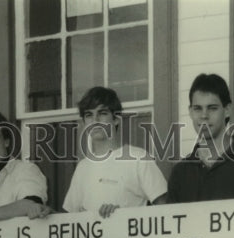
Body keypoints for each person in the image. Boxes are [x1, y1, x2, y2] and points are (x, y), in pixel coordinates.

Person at [165, 73, 234, 203]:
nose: (204, 115)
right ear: (190, 112)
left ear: (227, 110)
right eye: (197, 108)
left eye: (212, 108)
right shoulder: (180, 174)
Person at [62, 86, 168, 218]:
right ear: (84, 123)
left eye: (102, 113)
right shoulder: (82, 167)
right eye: (89, 115)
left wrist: (122, 215)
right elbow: (67, 220)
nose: (95, 120)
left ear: (116, 119)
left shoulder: (138, 158)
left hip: (128, 237)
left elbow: (165, 209)